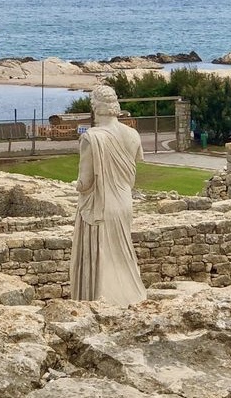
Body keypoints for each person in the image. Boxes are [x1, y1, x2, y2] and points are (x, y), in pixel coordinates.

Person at [70, 85, 147, 306]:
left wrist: (75, 185)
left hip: (101, 205)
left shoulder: (91, 138)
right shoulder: (132, 134)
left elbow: (85, 183)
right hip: (124, 202)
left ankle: (102, 302)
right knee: (123, 255)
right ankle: (130, 297)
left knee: (101, 258)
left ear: (96, 107)